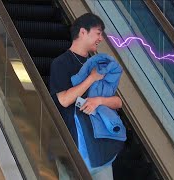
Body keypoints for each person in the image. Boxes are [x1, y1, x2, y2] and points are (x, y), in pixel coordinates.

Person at [50, 13, 123, 180]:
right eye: (98, 33)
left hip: (99, 146)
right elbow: (64, 100)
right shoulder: (61, 63)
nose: (101, 38)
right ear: (83, 32)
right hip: (72, 146)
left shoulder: (98, 64)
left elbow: (118, 102)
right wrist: (91, 78)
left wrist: (99, 101)